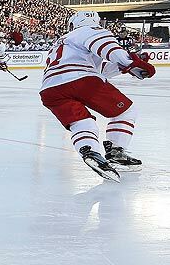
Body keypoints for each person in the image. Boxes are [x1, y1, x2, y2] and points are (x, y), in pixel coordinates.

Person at [39, 11, 154, 181]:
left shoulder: (62, 41)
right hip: (81, 80)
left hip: (50, 90)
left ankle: (89, 150)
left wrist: (124, 67)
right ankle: (116, 151)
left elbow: (100, 69)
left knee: (82, 122)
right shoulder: (89, 30)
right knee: (126, 112)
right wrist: (130, 63)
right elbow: (106, 46)